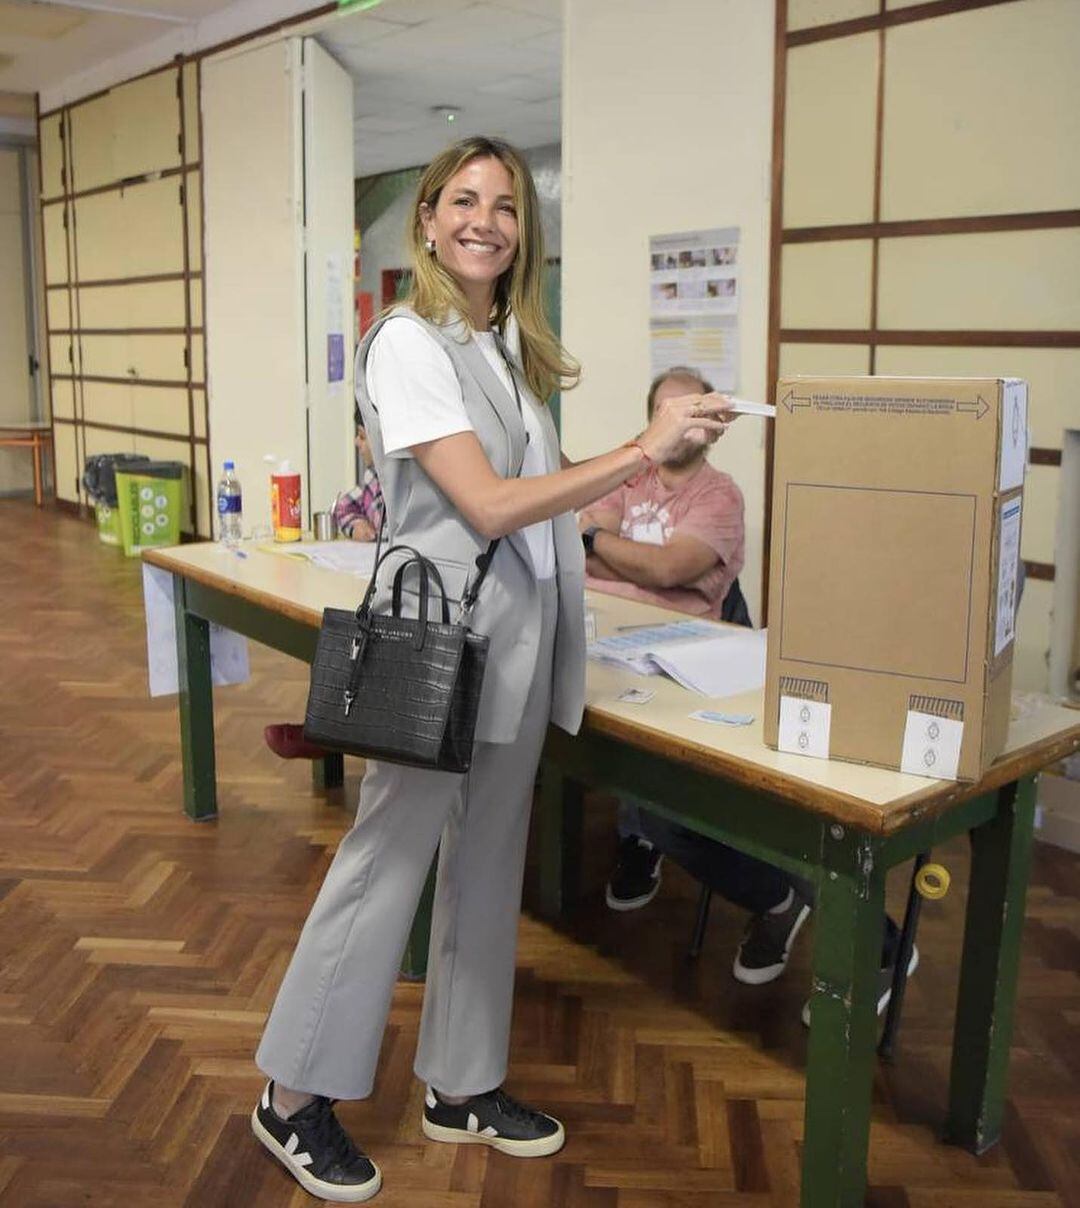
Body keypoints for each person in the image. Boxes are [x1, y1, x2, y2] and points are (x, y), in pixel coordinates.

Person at [250, 135, 733, 1204]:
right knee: (387, 863)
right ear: (427, 218)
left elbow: (548, 497)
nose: (485, 220)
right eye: (463, 200)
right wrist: (644, 449)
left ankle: (460, 1082)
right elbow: (491, 504)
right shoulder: (408, 344)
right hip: (437, 645)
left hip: (515, 644)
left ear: (524, 232)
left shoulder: (502, 344)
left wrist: (653, 446)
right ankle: (290, 1094)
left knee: (485, 868)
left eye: (505, 205)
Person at [585, 369, 915, 1021]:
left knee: (760, 809)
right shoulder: (630, 475)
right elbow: (586, 547)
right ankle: (779, 902)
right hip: (624, 651)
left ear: (718, 424)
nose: (677, 423)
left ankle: (874, 945)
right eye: (664, 411)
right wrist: (605, 548)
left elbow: (669, 568)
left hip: (715, 665)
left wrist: (603, 547)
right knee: (656, 811)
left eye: (691, 412)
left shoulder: (723, 497)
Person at [263, 419, 385, 761]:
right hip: (364, 575)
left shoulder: (406, 479)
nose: (358, 445)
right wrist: (357, 523)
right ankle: (328, 724)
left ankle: (333, 729)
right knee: (331, 613)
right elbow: (343, 505)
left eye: (363, 438)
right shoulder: (373, 480)